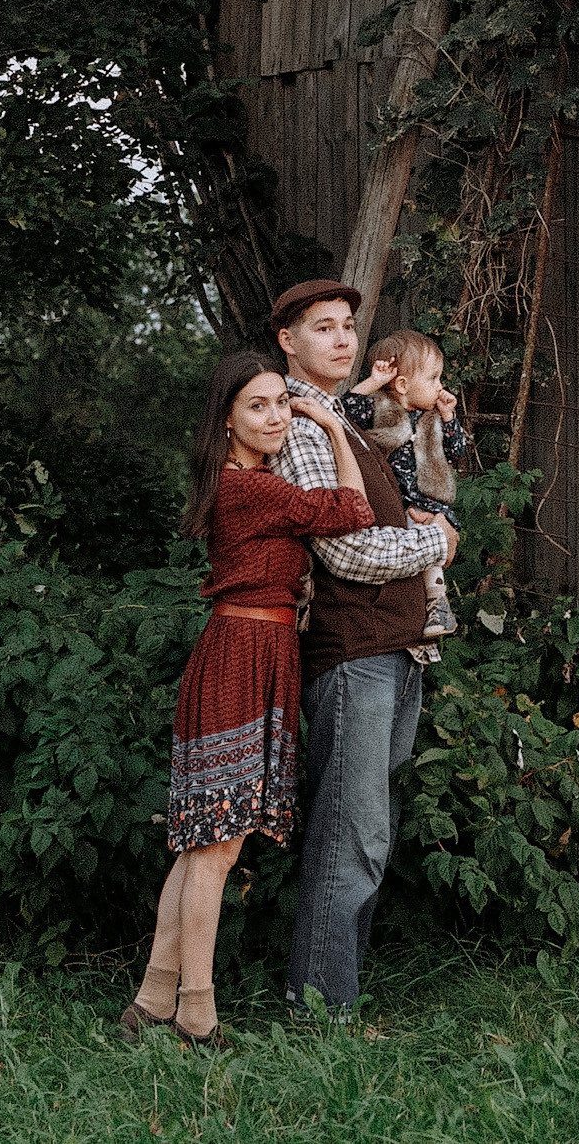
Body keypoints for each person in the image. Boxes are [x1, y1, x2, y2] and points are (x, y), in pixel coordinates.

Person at [122, 352, 376, 1049]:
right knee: (216, 848)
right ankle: (197, 1014)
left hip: (254, 652)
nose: (276, 416)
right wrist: (332, 426)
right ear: (227, 420)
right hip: (241, 655)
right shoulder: (249, 489)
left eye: (281, 403)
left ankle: (151, 998)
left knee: (201, 844)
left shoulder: (251, 484)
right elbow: (352, 510)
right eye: (257, 406)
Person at [265, 280, 459, 1020]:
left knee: (367, 829)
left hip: (394, 649)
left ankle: (331, 994)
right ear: (288, 341)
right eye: (324, 327)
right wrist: (436, 542)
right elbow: (346, 552)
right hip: (352, 653)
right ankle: (319, 1007)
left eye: (349, 325)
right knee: (352, 831)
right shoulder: (300, 426)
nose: (344, 339)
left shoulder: (344, 418)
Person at [336, 328, 468, 639]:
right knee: (403, 549)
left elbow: (456, 451)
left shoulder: (433, 419)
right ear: (403, 385)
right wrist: (374, 382)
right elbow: (345, 411)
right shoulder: (379, 408)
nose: (440, 387)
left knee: (428, 536)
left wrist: (449, 417)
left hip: (428, 501)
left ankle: (438, 603)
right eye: (433, 378)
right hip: (389, 501)